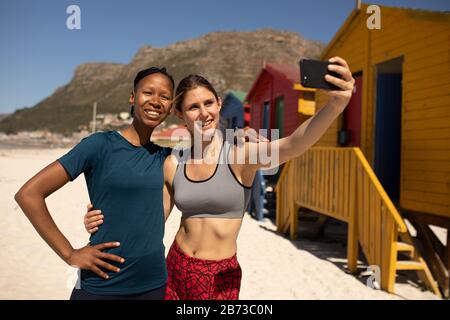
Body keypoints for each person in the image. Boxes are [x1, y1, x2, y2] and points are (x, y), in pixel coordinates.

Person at [84, 56, 355, 300]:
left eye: (209, 103)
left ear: (219, 105)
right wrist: (102, 218)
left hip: (219, 277)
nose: (203, 113)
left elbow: (294, 144)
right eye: (193, 107)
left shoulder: (241, 155)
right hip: (175, 268)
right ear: (180, 113)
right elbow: (150, 222)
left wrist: (335, 105)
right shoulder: (173, 162)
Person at [15, 67, 176, 300]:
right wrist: (69, 253)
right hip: (101, 285)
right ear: (133, 97)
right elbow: (29, 195)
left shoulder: (167, 158)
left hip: (153, 284)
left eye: (165, 96)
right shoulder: (99, 145)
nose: (156, 101)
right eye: (148, 92)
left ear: (171, 107)